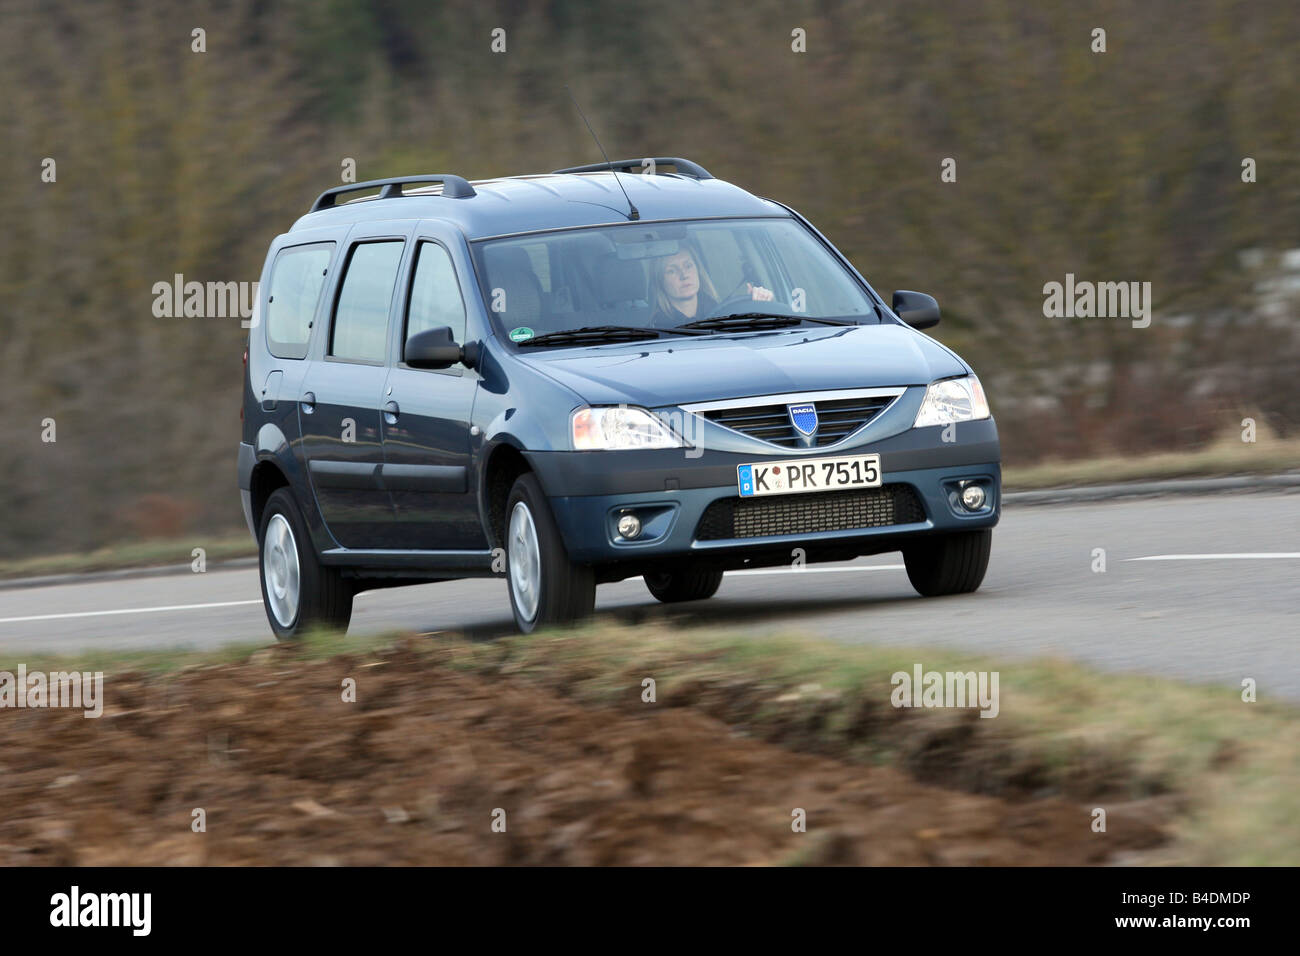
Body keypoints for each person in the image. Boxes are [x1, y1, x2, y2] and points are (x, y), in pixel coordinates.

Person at [649, 245, 774, 326]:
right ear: (660, 281)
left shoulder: (724, 315)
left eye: (688, 266)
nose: (684, 275)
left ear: (698, 270)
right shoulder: (654, 329)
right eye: (672, 271)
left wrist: (756, 308)